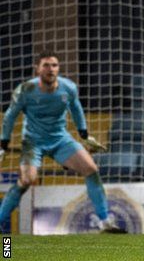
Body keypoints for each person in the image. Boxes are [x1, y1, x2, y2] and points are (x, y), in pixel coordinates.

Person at [0, 50, 126, 233]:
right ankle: (2, 226)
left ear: (58, 68)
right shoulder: (25, 90)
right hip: (32, 142)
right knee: (27, 180)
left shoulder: (68, 88)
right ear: (37, 69)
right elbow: (10, 116)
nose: (50, 69)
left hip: (60, 139)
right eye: (46, 65)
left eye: (54, 65)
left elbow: (76, 108)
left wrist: (84, 136)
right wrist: (3, 145)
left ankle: (105, 221)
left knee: (91, 169)